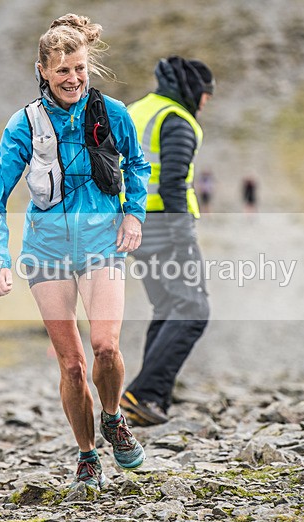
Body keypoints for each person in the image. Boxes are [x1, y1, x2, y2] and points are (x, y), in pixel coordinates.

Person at [0, 14, 151, 490]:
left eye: (79, 69)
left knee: (106, 346)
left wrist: (133, 213)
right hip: (47, 249)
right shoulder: (23, 126)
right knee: (73, 365)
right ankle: (87, 456)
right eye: (62, 72)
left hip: (101, 243)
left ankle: (113, 417)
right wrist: (0, 261)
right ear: (43, 72)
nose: (73, 79)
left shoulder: (113, 113)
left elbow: (138, 163)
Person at [120, 57, 213, 427]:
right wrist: (182, 237)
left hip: (135, 224)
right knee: (193, 310)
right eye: (206, 95)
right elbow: (174, 182)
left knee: (167, 306)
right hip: (166, 226)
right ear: (194, 90)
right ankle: (141, 393)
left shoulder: (137, 109)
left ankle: (151, 400)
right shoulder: (176, 120)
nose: (206, 103)